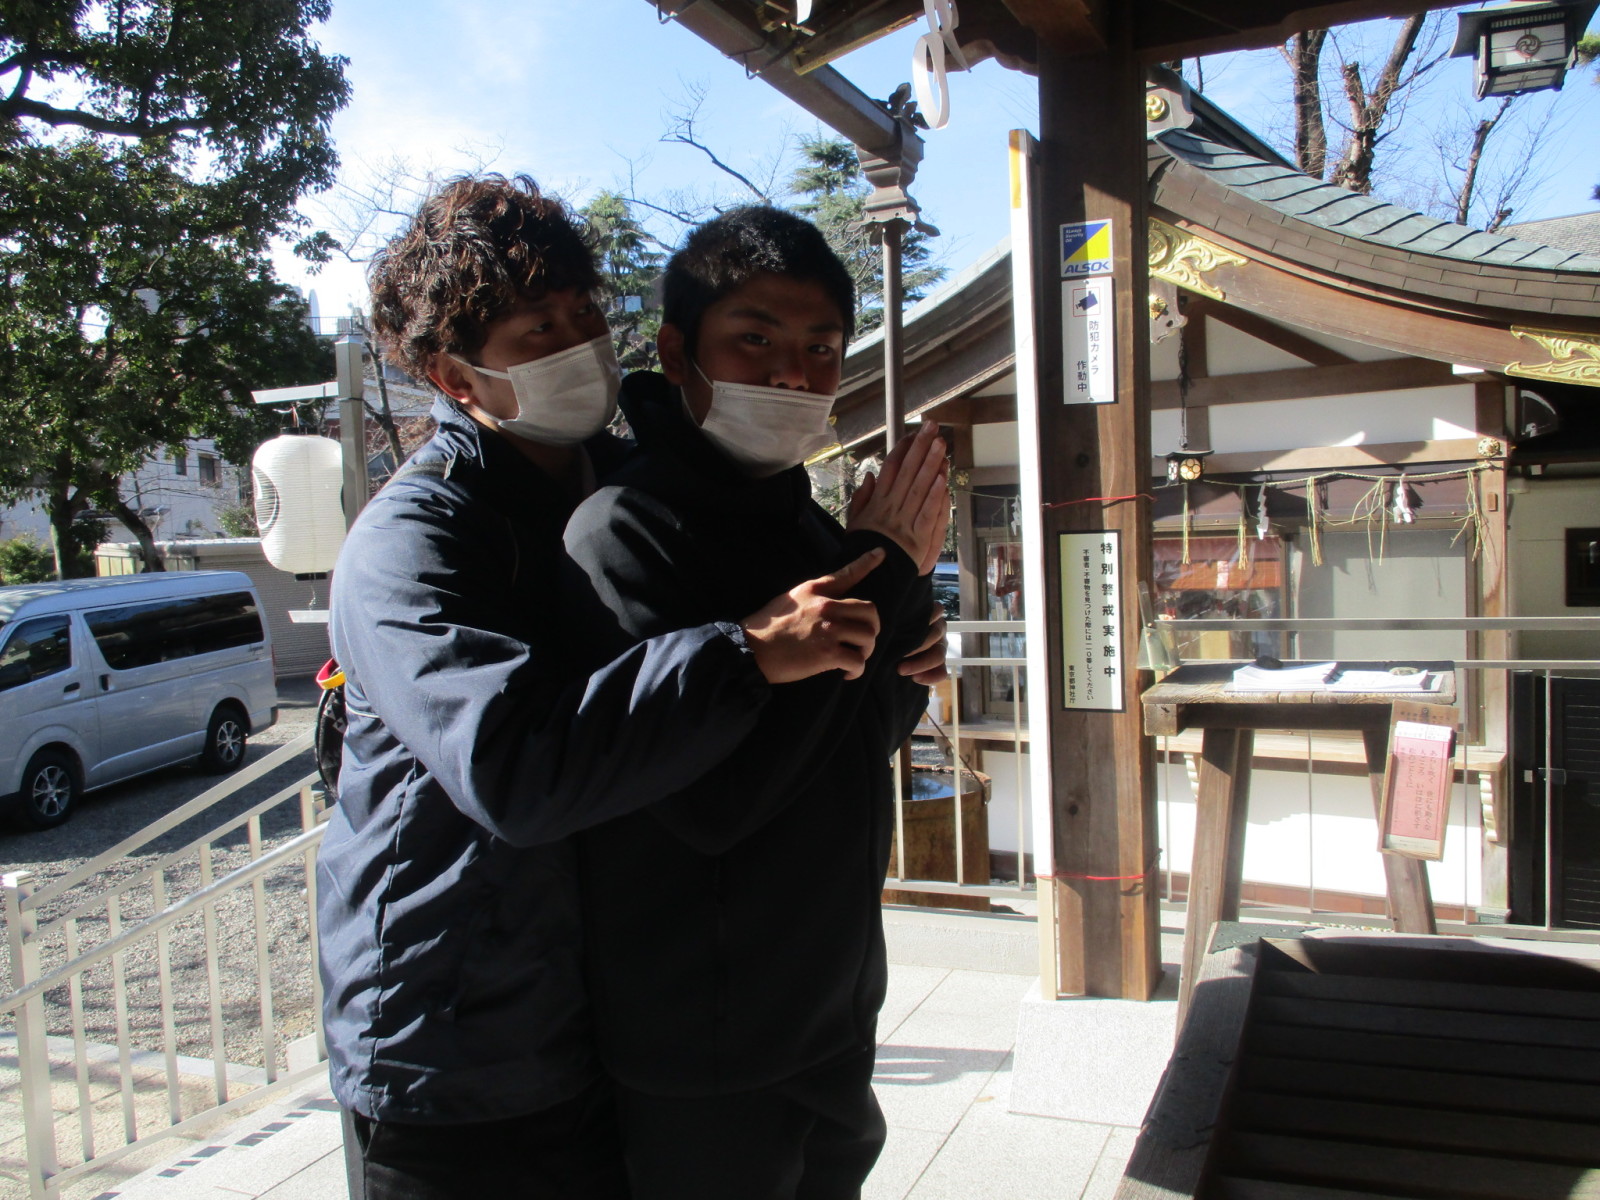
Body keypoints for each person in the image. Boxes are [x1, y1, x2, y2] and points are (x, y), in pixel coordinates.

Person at [319, 177, 915, 1200]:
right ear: (451, 375)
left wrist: (876, 654)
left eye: (585, 314)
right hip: (451, 1032)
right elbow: (513, 769)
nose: (580, 345)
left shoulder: (619, 482)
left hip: (589, 1011)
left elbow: (765, 730)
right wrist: (745, 653)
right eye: (537, 330)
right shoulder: (411, 544)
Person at [562, 205, 950, 1200]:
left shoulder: (814, 531)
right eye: (756, 339)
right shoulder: (623, 528)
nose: (792, 376)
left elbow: (857, 740)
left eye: (821, 348)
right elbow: (712, 802)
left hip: (833, 1004)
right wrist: (886, 571)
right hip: (704, 1037)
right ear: (676, 352)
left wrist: (902, 634)